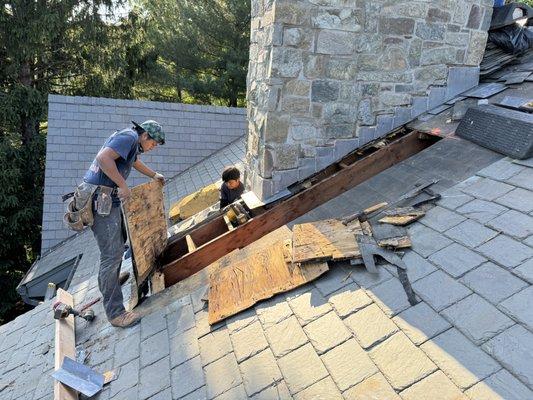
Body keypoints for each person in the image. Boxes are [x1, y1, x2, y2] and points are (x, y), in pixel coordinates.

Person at [83, 120, 165, 328]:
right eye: (153, 144)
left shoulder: (130, 142)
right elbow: (103, 159)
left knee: (119, 244)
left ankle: (109, 282)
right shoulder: (129, 137)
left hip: (107, 199)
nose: (152, 148)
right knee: (111, 254)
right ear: (145, 135)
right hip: (100, 199)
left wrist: (154, 175)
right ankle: (116, 313)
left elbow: (133, 162)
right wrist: (123, 185)